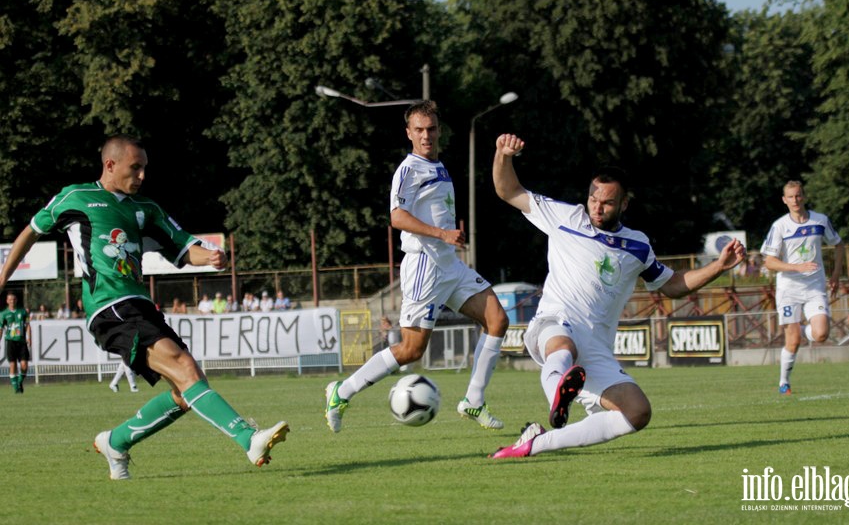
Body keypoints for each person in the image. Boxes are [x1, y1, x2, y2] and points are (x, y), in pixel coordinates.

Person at [0, 134, 288, 480]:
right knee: (184, 366)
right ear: (110, 165)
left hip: (141, 306)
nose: (141, 176)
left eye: (144, 169)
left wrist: (210, 257)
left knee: (186, 390)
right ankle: (248, 438)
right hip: (110, 307)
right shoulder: (76, 197)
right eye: (135, 168)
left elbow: (183, 247)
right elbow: (30, 232)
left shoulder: (146, 210)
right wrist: (2, 279)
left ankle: (115, 441)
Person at [488, 133, 746, 459]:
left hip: (595, 348)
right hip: (555, 323)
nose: (597, 207)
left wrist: (719, 266)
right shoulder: (566, 217)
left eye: (607, 202)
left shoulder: (638, 246)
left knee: (637, 413)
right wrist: (503, 154)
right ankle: (558, 395)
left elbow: (673, 284)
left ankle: (535, 443)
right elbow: (508, 190)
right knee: (563, 347)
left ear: (624, 204)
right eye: (593, 199)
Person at [325, 100, 509, 433]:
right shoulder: (409, 170)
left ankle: (473, 401)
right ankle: (341, 391)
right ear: (408, 132)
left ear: (439, 130)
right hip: (424, 265)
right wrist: (442, 233)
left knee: (497, 320)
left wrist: (449, 237)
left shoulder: (438, 165)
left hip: (449, 264)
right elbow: (397, 217)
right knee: (411, 349)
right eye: (419, 130)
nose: (426, 135)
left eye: (432, 129)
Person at [760, 180, 844, 395]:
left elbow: (839, 245)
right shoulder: (780, 226)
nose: (795, 200)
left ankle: (804, 331)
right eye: (791, 197)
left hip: (815, 287)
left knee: (822, 334)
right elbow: (769, 262)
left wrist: (835, 274)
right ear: (784, 200)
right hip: (789, 289)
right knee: (793, 341)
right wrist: (796, 267)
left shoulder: (820, 220)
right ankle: (783, 382)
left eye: (798, 195)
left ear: (803, 196)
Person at [1, 291, 31, 394]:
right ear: (7, 301)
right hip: (10, 341)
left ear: (16, 300)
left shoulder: (22, 312)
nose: (12, 301)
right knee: (12, 365)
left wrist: (29, 338)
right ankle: (16, 388)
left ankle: (19, 382)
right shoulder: (3, 314)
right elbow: (0, 329)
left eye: (13, 299)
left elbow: (27, 325)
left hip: (22, 342)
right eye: (10, 299)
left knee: (24, 365)